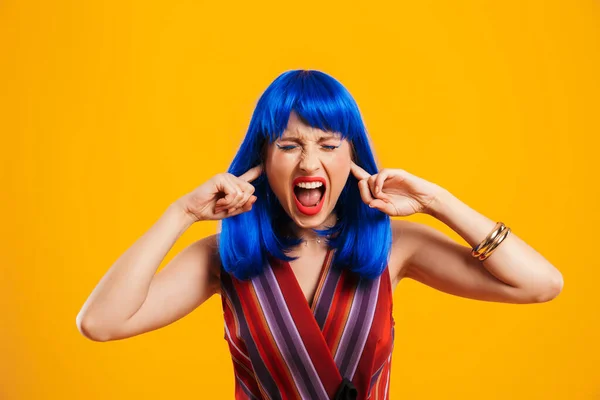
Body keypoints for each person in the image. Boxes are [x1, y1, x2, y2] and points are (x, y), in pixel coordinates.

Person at [76, 70, 564, 399]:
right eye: (289, 145)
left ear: (351, 155)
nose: (309, 162)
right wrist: (180, 213)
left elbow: (541, 284)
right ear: (263, 160)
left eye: (328, 144)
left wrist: (437, 201)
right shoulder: (225, 254)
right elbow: (100, 323)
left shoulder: (396, 247)